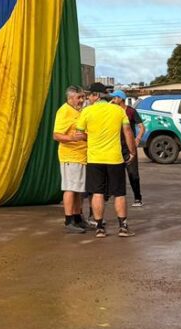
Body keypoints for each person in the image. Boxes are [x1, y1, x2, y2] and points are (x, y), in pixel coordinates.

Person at [77, 82, 137, 238]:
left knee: (97, 193)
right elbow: (128, 131)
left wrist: (91, 138)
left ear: (96, 96)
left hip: (94, 158)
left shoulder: (86, 112)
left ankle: (99, 228)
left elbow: (79, 134)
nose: (88, 98)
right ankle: (123, 227)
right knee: (119, 193)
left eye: (90, 95)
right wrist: (132, 152)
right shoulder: (118, 110)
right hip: (115, 158)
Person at [52, 85, 89, 232]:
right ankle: (69, 221)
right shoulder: (64, 111)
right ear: (70, 98)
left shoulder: (80, 111)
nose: (82, 100)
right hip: (70, 155)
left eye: (82, 97)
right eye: (79, 97)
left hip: (82, 155)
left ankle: (78, 217)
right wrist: (71, 138)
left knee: (79, 189)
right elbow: (56, 135)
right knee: (70, 188)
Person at [111, 90, 144, 206]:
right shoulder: (112, 111)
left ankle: (138, 198)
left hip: (129, 147)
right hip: (115, 146)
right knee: (116, 173)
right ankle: (115, 196)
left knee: (133, 174)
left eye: (114, 98)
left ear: (120, 98)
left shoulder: (131, 111)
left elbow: (141, 127)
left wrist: (137, 139)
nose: (113, 100)